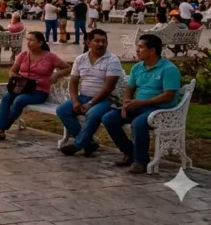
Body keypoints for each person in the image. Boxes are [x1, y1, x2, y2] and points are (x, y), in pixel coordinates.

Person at [102, 34, 182, 173]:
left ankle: (141, 161)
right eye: (137, 47)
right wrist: (126, 103)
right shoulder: (137, 67)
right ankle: (129, 153)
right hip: (140, 106)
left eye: (140, 47)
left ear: (152, 50)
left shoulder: (168, 69)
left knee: (138, 123)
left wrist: (142, 102)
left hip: (161, 110)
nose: (137, 50)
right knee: (109, 118)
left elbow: (168, 95)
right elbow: (129, 88)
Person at [0, 31, 70, 141]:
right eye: (27, 40)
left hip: (39, 91)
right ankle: (0, 129)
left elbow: (68, 68)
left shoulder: (49, 57)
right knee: (6, 97)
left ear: (40, 43)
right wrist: (17, 78)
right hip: (22, 88)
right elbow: (12, 71)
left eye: (31, 40)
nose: (28, 42)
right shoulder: (24, 55)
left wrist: (57, 74)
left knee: (19, 100)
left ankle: (0, 129)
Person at [56, 28, 125, 156]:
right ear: (89, 43)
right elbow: (73, 82)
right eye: (97, 41)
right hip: (83, 97)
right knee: (62, 110)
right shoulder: (80, 59)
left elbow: (109, 87)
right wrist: (76, 101)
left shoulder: (112, 60)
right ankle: (89, 143)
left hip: (107, 99)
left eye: (104, 41)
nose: (101, 44)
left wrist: (91, 103)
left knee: (92, 113)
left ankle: (78, 145)